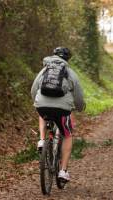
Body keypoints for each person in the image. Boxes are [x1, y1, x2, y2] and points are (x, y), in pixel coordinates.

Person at [31, 47, 85, 181]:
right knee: (67, 135)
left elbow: (34, 88)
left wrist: (37, 102)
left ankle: (42, 140)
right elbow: (78, 95)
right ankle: (63, 171)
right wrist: (79, 107)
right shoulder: (70, 72)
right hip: (62, 110)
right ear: (67, 59)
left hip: (42, 106)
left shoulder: (44, 70)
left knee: (42, 113)